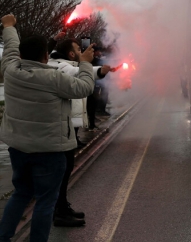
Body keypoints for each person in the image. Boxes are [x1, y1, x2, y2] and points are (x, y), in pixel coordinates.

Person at [0, 14, 95, 242]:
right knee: (45, 201)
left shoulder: (11, 72)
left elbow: (11, 49)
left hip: (19, 148)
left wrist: (9, 27)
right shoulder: (54, 79)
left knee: (21, 193)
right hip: (50, 152)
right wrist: (85, 62)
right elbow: (85, 87)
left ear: (21, 55)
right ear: (46, 56)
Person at [48, 39, 112, 227]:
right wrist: (94, 68)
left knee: (65, 169)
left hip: (64, 128)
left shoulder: (63, 64)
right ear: (70, 54)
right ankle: (59, 211)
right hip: (60, 130)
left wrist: (100, 71)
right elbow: (78, 74)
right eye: (77, 49)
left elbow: (80, 71)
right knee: (62, 170)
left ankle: (61, 207)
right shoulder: (60, 67)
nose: (81, 50)